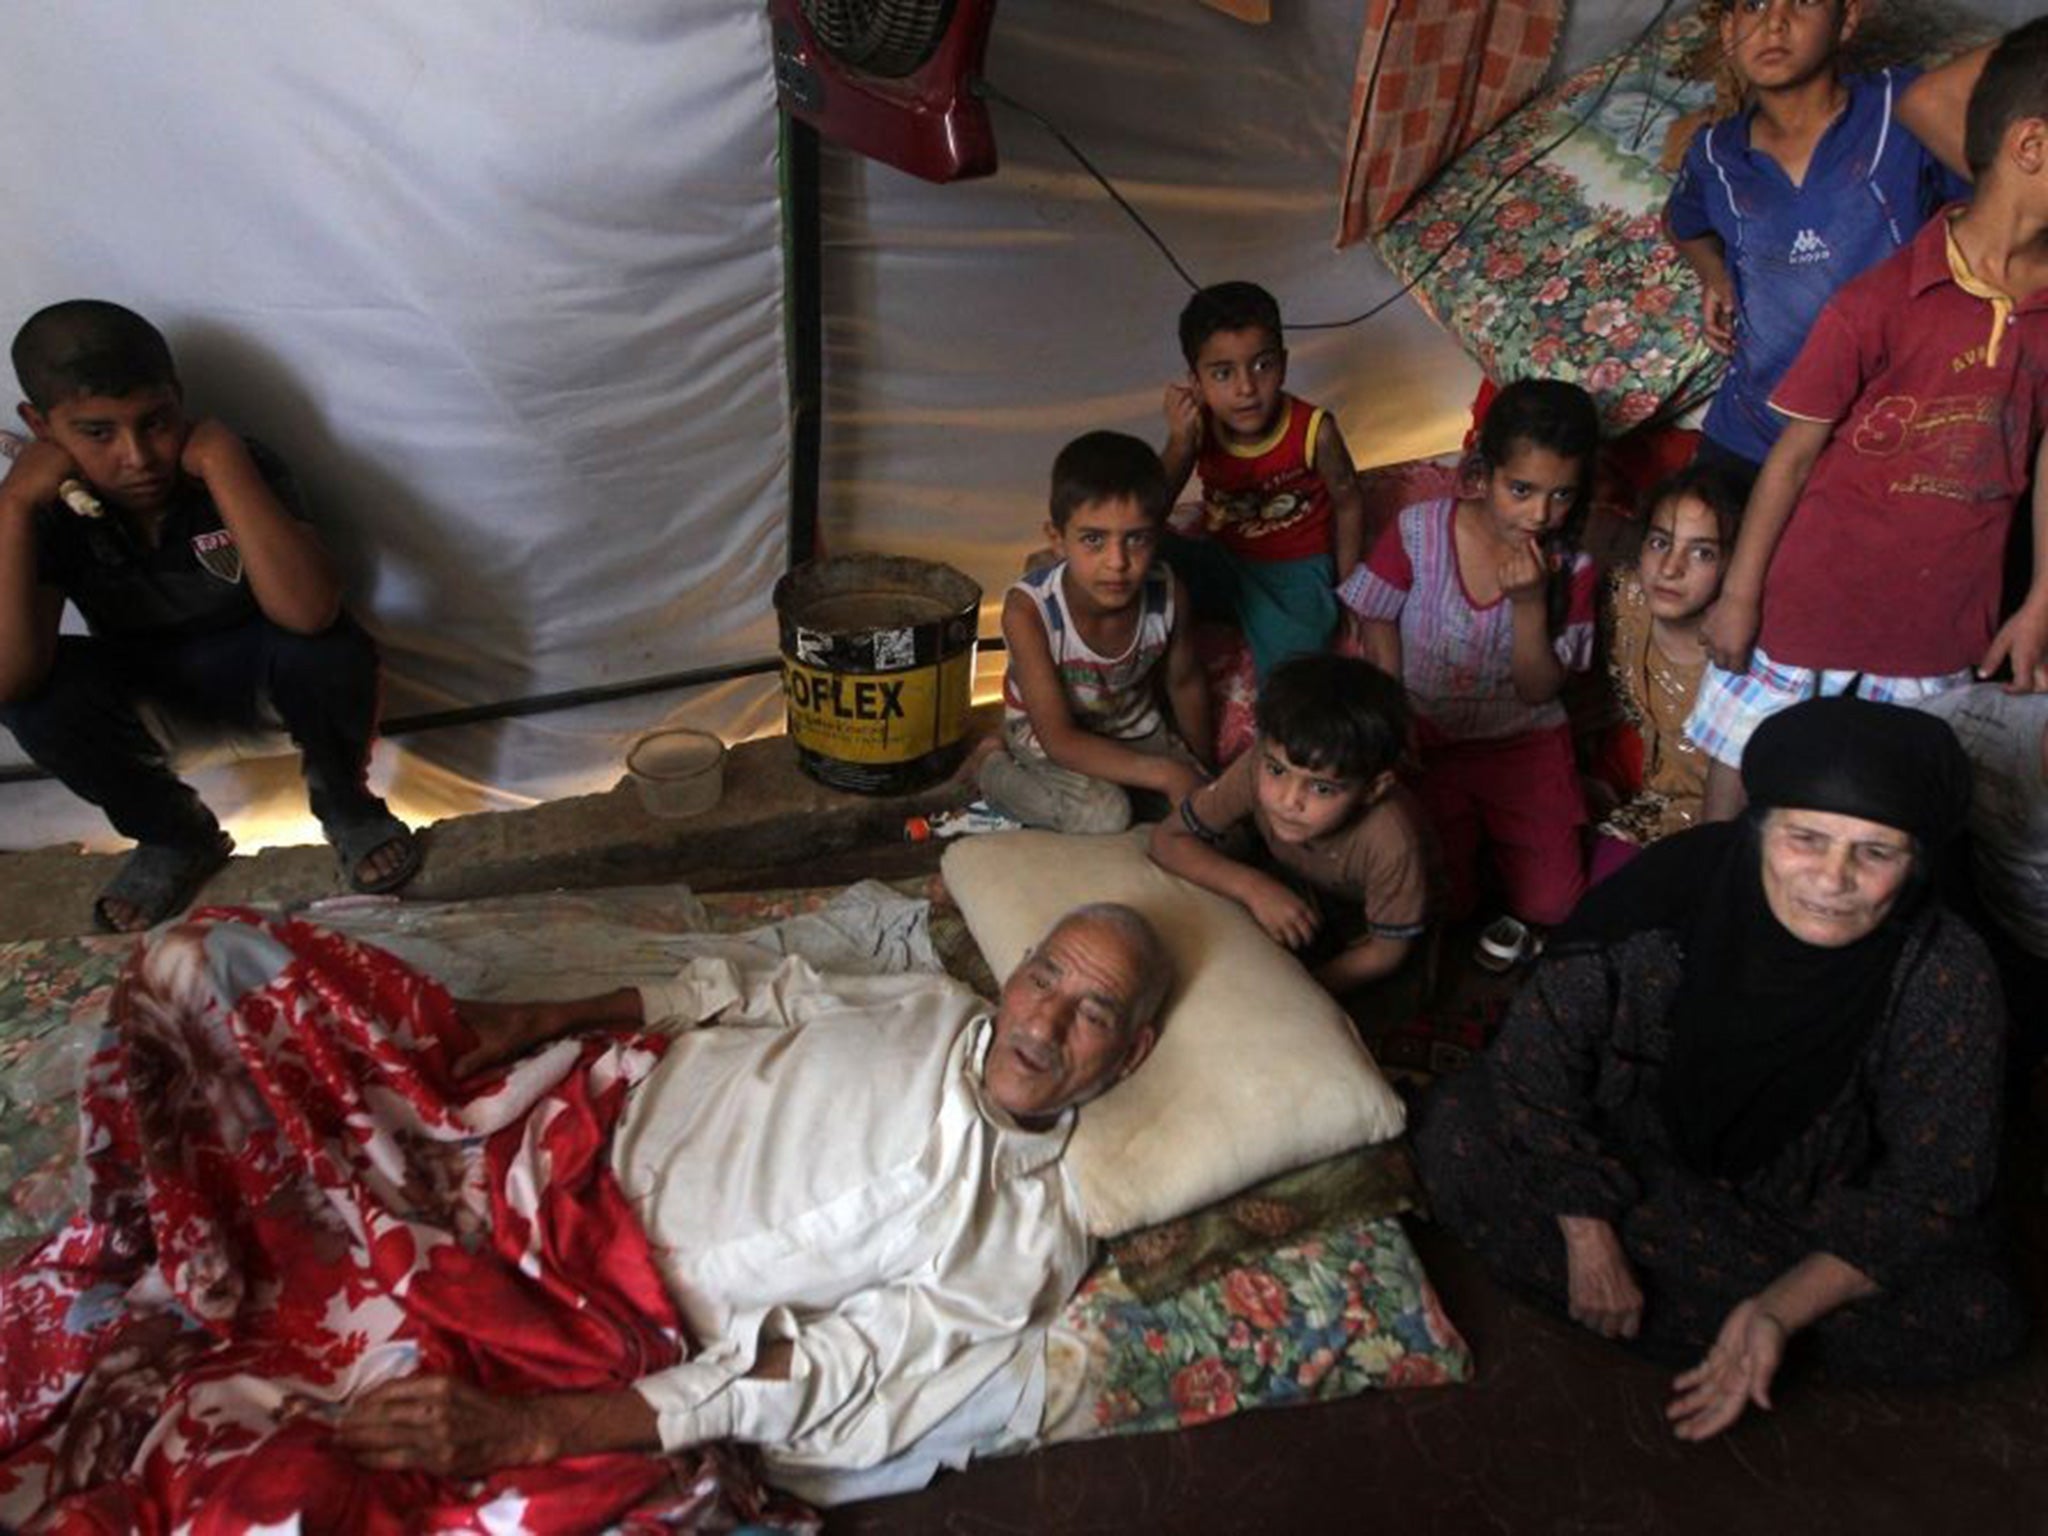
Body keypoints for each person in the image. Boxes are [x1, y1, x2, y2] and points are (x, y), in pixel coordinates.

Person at [1, 900, 1171, 1524]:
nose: (1042, 1020)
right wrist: (545, 1016)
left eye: (1091, 1013)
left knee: (293, 1485)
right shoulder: (928, 999)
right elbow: (756, 986)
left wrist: (539, 1431)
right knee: (202, 964)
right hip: (539, 1123)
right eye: (1044, 978)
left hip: (580, 1307)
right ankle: (169, 1252)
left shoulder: (1029, 1234)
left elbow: (829, 1373)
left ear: (1131, 1056)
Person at [1418, 697, 2027, 1443]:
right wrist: (1587, 1230)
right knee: (1457, 1126)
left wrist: (1780, 1306)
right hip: (1630, 1161)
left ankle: (1740, 1325)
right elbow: (1533, 1057)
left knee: (1976, 1313)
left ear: (1914, 865)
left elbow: (1932, 1189)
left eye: (1875, 852)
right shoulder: (1668, 896)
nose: (1832, 878)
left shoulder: (1945, 973)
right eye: (1806, 837)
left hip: (1807, 1211)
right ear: (1759, 828)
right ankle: (1715, 1319)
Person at [1690, 18, 2048, 821]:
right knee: (1741, 785)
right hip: (1807, 603)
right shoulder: (1877, 302)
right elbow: (1790, 456)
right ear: (2031, 146)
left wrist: (2042, 599)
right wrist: (1742, 595)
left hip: (1942, 628)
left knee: (1893, 812)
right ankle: (1706, 916)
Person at [0, 300, 418, 930]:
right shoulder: (45, 510)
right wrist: (12, 509)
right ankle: (176, 835)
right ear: (40, 425)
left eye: (156, 422)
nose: (138, 456)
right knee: (35, 702)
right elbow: (11, 678)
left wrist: (225, 466)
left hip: (261, 678)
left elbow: (307, 612)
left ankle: (349, 807)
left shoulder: (230, 464)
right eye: (97, 433)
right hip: (153, 698)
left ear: (180, 400)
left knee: (329, 643)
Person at [1339, 378, 1601, 970]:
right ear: (1482, 475)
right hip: (1431, 741)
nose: (1540, 514)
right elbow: (1377, 615)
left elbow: (1538, 689)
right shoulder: (1419, 531)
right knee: (1438, 902)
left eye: (1562, 496)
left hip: (1524, 744)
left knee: (1557, 906)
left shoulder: (1570, 565)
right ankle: (1500, 839)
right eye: (1522, 490)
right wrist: (1394, 712)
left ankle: (1549, 813)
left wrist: (1530, 604)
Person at [1664, 0, 1975, 493]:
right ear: (1728, 32)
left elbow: (1992, 205)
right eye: (1753, 5)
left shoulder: (1901, 111)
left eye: (1803, 1)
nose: (1774, 22)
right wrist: (1714, 275)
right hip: (1752, 429)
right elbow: (1681, 221)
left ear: (1847, 19)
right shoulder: (1714, 155)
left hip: (1880, 431)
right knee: (1695, 544)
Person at [1148, 652, 1432, 998]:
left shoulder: (1392, 840)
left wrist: (1300, 993)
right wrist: (1253, 887)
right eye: (1278, 771)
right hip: (1295, 877)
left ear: (1373, 789)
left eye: (1322, 787)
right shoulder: (1256, 768)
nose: (1287, 800)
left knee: (1389, 1004)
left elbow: (1386, 953)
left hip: (1370, 918)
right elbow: (1166, 840)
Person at [973, 430, 1213, 834]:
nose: (1117, 562)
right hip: (1047, 736)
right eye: (1093, 540)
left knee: (1215, 821)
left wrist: (1202, 772)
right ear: (1057, 540)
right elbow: (1059, 739)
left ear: (1157, 536)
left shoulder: (1169, 595)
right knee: (1104, 814)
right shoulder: (1029, 610)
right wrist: (1166, 776)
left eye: (1135, 539)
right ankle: (989, 765)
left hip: (1131, 726)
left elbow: (1185, 683)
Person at [1158, 281, 1367, 682]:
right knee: (1128, 547)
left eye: (1262, 365)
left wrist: (1348, 586)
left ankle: (1278, 735)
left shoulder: (1314, 430)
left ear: (1284, 363)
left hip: (1295, 572)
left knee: (1297, 670)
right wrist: (1180, 442)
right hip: (1222, 560)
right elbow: (1151, 509)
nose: (1246, 388)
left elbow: (1349, 501)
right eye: (1223, 373)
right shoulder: (1198, 425)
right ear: (1196, 381)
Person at [1587, 464, 1745, 882]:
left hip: (1718, 818)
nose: (1671, 568)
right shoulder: (1625, 598)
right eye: (1660, 542)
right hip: (1643, 801)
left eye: (1702, 553)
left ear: (1734, 565)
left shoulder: (1742, 656)